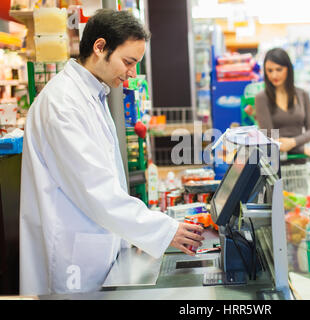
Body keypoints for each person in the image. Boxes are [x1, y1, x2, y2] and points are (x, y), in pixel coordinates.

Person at [19, 9, 204, 296]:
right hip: (74, 261)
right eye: (128, 62)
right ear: (100, 47)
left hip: (95, 247)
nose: (132, 73)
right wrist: (164, 229)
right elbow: (96, 189)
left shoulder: (91, 94)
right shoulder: (62, 104)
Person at [255, 47, 310, 164]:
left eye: (279, 69)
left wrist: (293, 142)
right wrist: (304, 149)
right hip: (276, 165)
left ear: (288, 69)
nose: (274, 75)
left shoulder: (302, 94)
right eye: (269, 70)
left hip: (299, 165)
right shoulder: (262, 98)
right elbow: (271, 138)